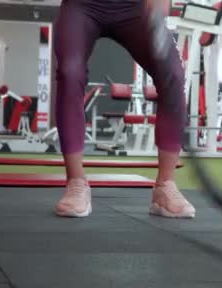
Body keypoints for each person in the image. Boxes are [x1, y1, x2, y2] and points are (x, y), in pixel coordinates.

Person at [52, 0, 196, 219]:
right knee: (70, 72)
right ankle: (76, 182)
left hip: (134, 7)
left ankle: (165, 186)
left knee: (173, 75)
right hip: (82, 6)